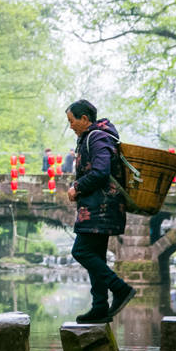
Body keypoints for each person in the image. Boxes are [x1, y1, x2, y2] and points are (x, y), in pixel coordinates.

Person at [65, 98, 135, 323]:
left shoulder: (98, 137)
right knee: (95, 256)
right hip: (94, 207)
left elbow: (101, 172)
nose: (70, 125)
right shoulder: (92, 137)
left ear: (85, 119)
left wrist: (77, 187)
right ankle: (100, 307)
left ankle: (120, 288)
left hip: (100, 208)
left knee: (81, 252)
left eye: (72, 120)